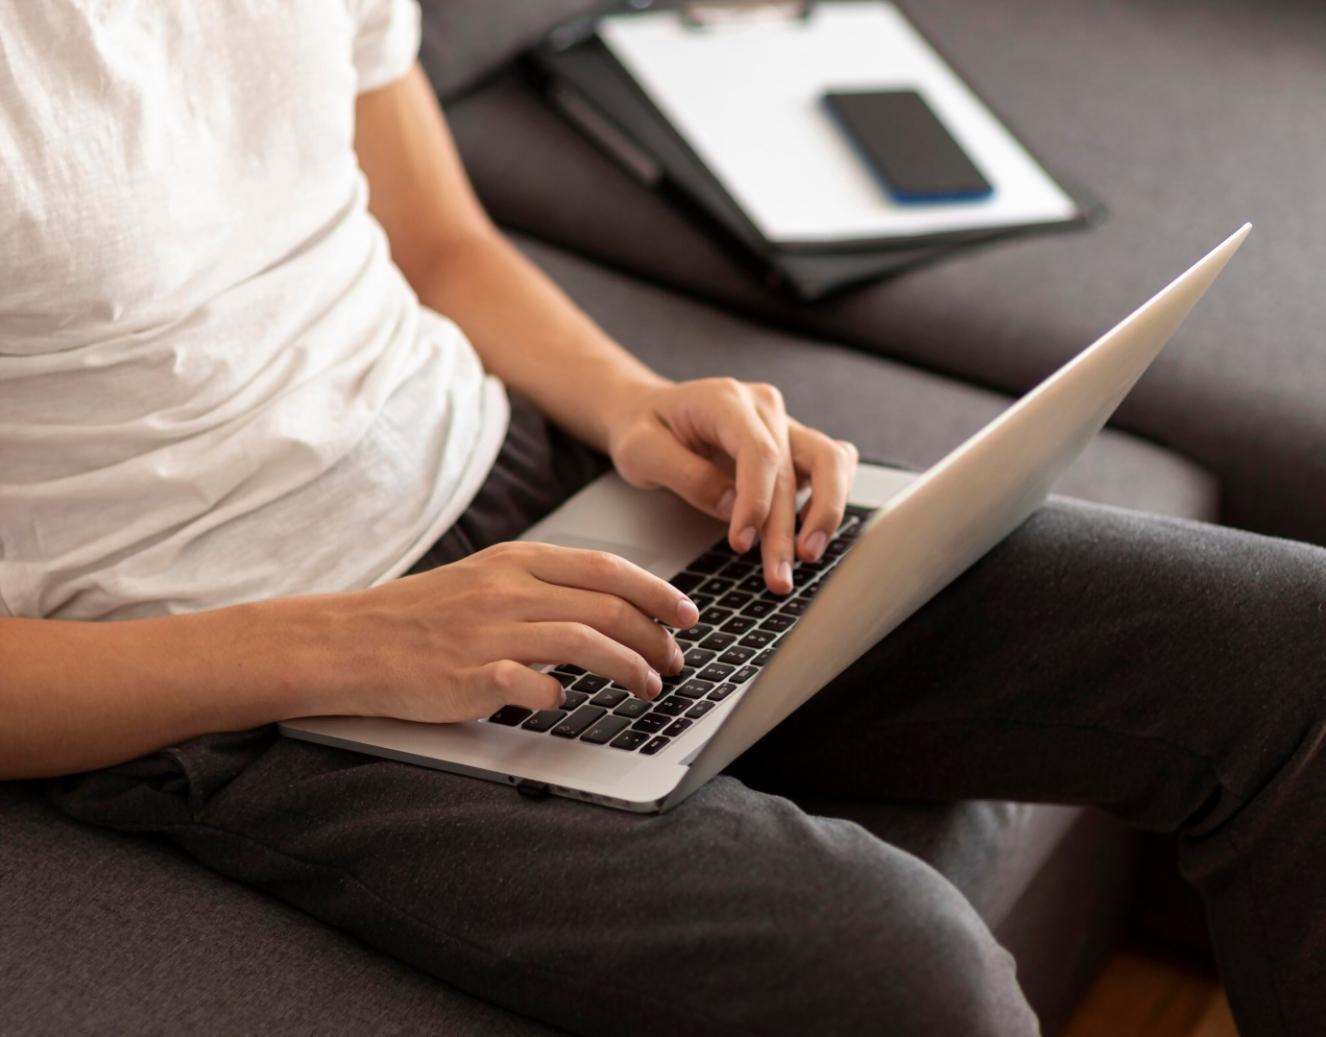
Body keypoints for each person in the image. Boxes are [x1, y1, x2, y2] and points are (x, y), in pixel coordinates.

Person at [1, 4, 1323, 1035]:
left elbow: (437, 242)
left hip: (532, 475)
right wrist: (360, 644)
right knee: (908, 981)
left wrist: (632, 408)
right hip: (248, 678)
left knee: (1285, 643)